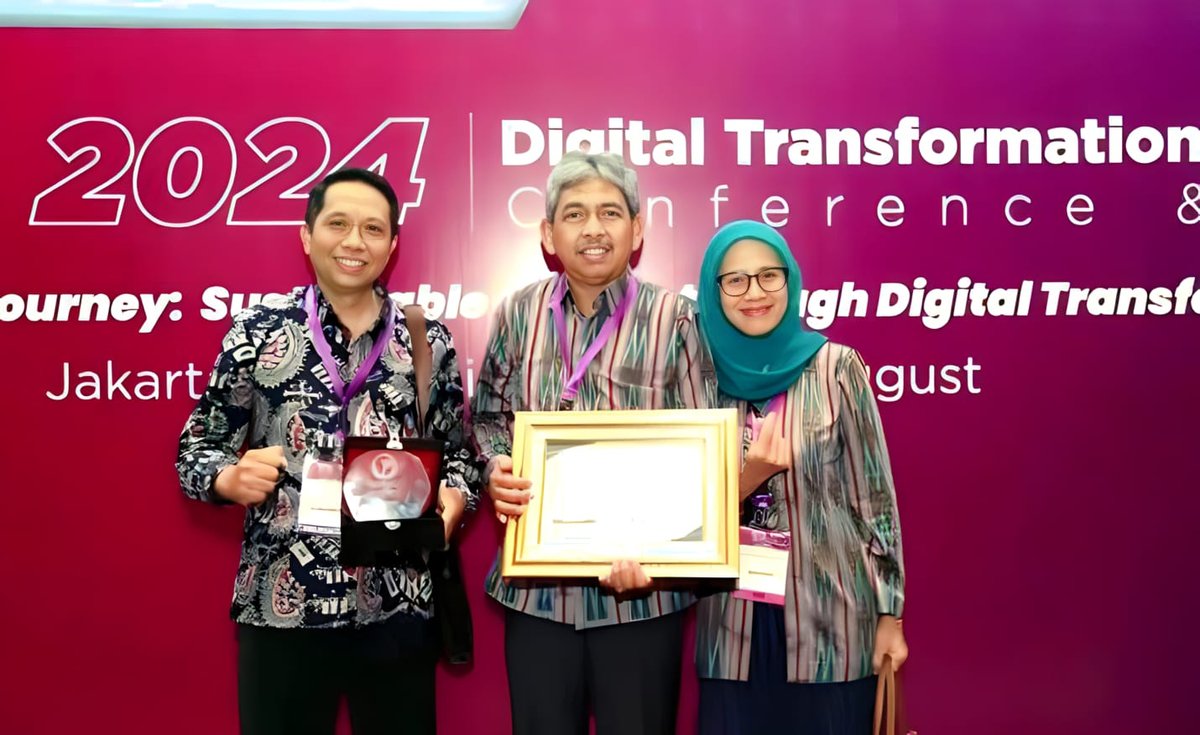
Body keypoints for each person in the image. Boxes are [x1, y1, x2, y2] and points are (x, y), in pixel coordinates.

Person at [175, 168, 479, 735]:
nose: (354, 241)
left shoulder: (425, 340)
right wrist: (226, 478)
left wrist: (455, 500)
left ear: (392, 244)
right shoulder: (257, 331)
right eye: (338, 224)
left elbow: (458, 454)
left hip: (396, 606)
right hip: (280, 604)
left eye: (373, 228)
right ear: (306, 234)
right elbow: (198, 446)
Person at [471, 150, 717, 735]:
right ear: (548, 233)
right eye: (575, 214)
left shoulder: (677, 319)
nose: (593, 229)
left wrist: (661, 561)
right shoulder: (518, 313)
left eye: (610, 212)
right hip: (538, 593)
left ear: (638, 229)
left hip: (642, 597)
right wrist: (497, 465)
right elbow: (487, 417)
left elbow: (705, 452)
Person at [693, 220, 908, 735]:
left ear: (790, 280)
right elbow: (681, 507)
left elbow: (874, 499)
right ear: (713, 291)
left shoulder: (836, 369)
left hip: (833, 627)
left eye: (769, 275)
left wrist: (890, 615)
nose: (755, 293)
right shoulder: (696, 379)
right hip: (732, 630)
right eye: (735, 280)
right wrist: (748, 477)